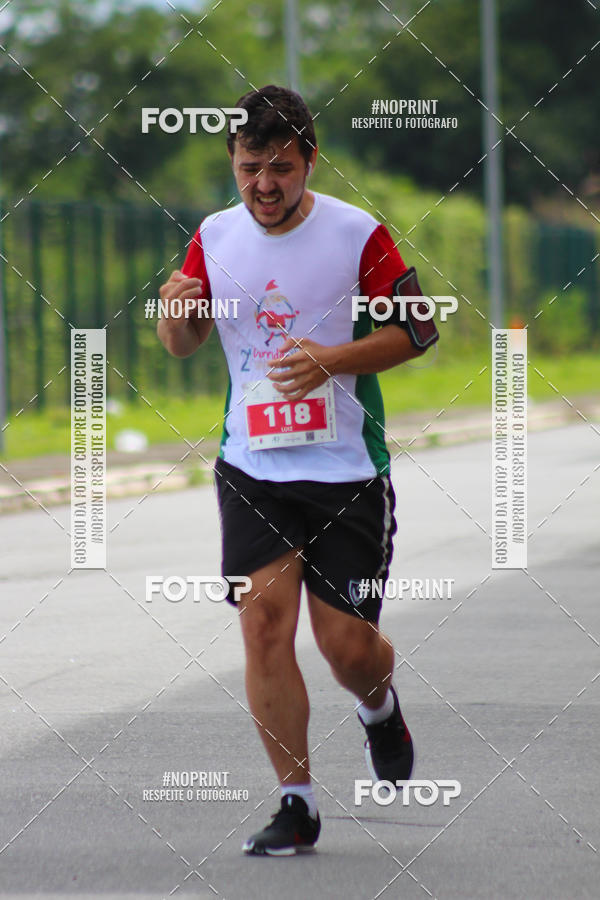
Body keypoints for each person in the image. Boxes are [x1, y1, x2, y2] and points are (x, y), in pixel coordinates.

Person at [157, 84, 432, 856]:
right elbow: (180, 344)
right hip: (252, 465)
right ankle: (297, 802)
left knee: (346, 647)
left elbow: (420, 333)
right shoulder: (212, 236)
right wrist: (175, 316)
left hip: (345, 469)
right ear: (232, 163)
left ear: (310, 158)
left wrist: (333, 360)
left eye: (280, 167)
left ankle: (379, 709)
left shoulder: (359, 234)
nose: (264, 186)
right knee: (264, 626)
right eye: (249, 169)